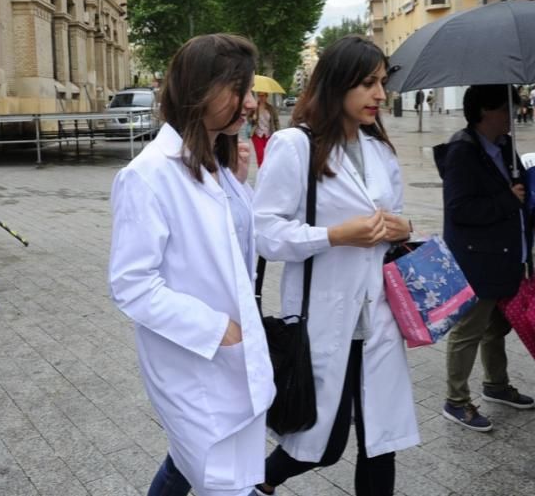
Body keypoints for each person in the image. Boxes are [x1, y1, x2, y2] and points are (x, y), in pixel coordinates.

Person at [253, 35, 419, 496]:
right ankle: (255, 481)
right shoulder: (295, 146)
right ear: (337, 83)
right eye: (368, 84)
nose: (380, 95)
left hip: (379, 317)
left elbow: (396, 220)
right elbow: (264, 233)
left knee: (380, 442)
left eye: (382, 83)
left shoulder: (380, 150)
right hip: (325, 320)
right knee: (320, 443)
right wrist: (332, 235)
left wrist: (402, 226)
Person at [108, 33, 273, 496]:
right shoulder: (147, 175)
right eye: (240, 90)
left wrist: (236, 191)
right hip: (194, 359)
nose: (250, 103)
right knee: (221, 478)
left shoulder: (216, 165)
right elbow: (132, 284)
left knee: (194, 465)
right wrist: (218, 329)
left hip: (231, 355)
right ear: (201, 91)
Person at [433, 84, 535, 433]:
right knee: (470, 329)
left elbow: (524, 190)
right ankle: (455, 401)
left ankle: (496, 385)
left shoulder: (504, 146)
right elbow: (459, 210)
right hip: (478, 258)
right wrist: (506, 200)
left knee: (497, 326)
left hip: (508, 255)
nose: (513, 117)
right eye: (507, 110)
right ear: (487, 111)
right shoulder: (462, 152)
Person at [249, 92, 279, 168]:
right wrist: (252, 118)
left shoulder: (271, 108)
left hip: (268, 134)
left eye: (262, 96)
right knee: (260, 155)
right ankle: (261, 171)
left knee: (269, 154)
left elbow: (276, 120)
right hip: (257, 134)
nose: (261, 97)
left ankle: (268, 170)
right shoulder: (255, 107)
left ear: (266, 96)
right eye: (259, 95)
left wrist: (278, 132)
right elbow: (248, 118)